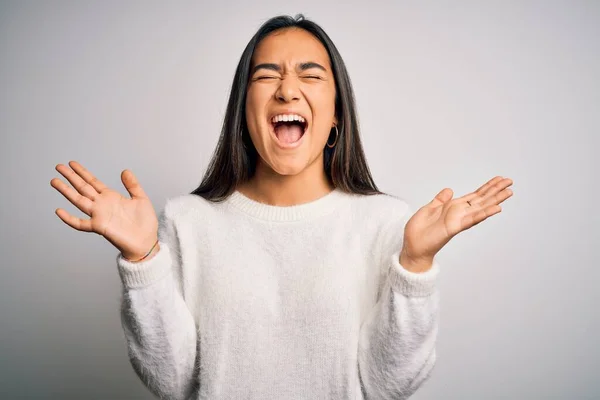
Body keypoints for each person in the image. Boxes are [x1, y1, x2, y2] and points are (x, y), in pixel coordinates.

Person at [50, 14, 513, 400]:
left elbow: (388, 386)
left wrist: (415, 266)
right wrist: (143, 260)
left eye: (310, 75)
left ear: (335, 115)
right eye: (267, 74)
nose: (287, 90)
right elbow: (173, 382)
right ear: (243, 110)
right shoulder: (187, 222)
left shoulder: (386, 224)